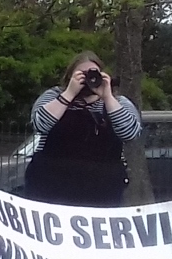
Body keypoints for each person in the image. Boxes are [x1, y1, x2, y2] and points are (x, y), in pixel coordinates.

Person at [22, 52, 139, 207]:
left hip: (102, 190)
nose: (88, 79)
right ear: (70, 77)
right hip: (51, 186)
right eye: (82, 75)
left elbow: (130, 133)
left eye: (93, 74)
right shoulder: (53, 96)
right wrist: (69, 94)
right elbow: (40, 125)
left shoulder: (118, 102)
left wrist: (107, 97)